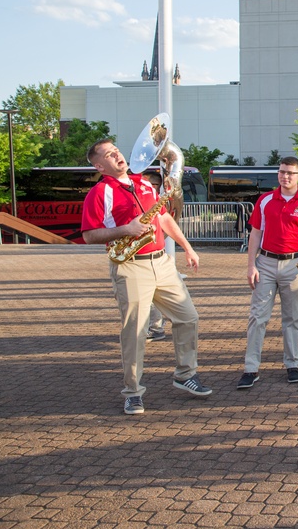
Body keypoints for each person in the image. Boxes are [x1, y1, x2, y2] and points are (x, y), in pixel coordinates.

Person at [80, 139, 212, 415]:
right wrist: (126, 228)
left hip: (161, 262)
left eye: (116, 149)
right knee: (135, 332)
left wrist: (188, 248)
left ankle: (185, 374)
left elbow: (163, 219)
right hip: (130, 265)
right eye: (109, 154)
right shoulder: (100, 192)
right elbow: (89, 234)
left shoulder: (144, 184)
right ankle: (133, 392)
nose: (117, 154)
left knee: (188, 317)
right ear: (98, 165)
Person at [237, 157, 298, 390]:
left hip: (294, 265)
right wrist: (251, 265)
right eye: (282, 172)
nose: (285, 176)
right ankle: (251, 368)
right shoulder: (265, 200)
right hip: (265, 263)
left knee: (292, 319)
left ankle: (292, 364)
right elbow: (255, 234)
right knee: (258, 317)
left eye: (290, 173)